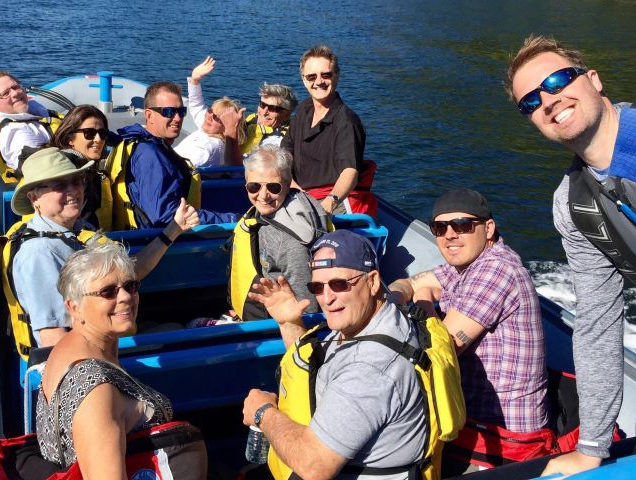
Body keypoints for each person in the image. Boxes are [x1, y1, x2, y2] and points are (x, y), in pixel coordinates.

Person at [506, 35, 636, 475]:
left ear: (593, 80)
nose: (548, 99)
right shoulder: (573, 204)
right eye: (530, 102)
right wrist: (592, 446)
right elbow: (598, 321)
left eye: (558, 79)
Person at [242, 230, 428, 479]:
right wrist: (289, 323)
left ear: (373, 281)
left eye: (340, 284)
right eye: (317, 287)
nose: (327, 298)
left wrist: (262, 412)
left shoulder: (370, 369)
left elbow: (314, 466)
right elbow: (319, 372)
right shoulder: (375, 317)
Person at [388, 188, 550, 472]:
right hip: (469, 419)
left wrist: (423, 297)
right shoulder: (466, 264)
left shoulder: (497, 269)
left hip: (500, 437)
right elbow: (412, 282)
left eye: (462, 225)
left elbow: (440, 350)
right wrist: (396, 296)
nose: (450, 235)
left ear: (488, 228)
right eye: (439, 227)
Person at [0, 147, 198, 351]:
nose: (73, 191)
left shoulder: (74, 232)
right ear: (34, 199)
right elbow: (54, 340)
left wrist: (174, 229)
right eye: (60, 185)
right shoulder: (40, 254)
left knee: (173, 325)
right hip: (89, 358)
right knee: (183, 335)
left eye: (76, 181)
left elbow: (132, 272)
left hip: (103, 339)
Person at [36, 242, 208, 478]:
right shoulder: (96, 390)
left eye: (131, 286)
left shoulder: (74, 349)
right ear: (74, 308)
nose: (126, 297)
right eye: (108, 291)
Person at [107, 80, 239, 229]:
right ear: (149, 115)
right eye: (168, 112)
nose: (177, 118)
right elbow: (167, 217)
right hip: (154, 244)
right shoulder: (151, 157)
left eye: (181, 112)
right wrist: (232, 219)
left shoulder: (139, 142)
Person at [229, 146, 330, 321]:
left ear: (288, 184)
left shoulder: (290, 244)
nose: (263, 195)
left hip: (274, 326)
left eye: (274, 187)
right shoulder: (269, 211)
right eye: (253, 186)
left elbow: (307, 308)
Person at [281, 45, 374, 216]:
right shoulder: (304, 110)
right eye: (311, 77)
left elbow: (350, 171)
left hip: (333, 200)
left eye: (326, 75)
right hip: (298, 192)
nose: (318, 82)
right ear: (303, 80)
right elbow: (286, 149)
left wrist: (330, 201)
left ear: (336, 76)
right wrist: (292, 186)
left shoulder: (346, 121)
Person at [0, 70, 59, 182]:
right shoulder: (16, 133)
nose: (15, 93)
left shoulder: (35, 114)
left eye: (15, 87)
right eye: (5, 93)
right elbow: (44, 173)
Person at [174, 56, 246, 166]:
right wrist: (194, 80)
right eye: (210, 111)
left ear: (226, 128)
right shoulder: (210, 128)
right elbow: (197, 104)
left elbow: (178, 167)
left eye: (217, 117)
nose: (210, 116)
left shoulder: (208, 148)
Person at [52, 104, 114, 230]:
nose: (98, 139)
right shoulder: (71, 175)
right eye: (89, 133)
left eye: (102, 133)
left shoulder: (90, 171)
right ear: (70, 138)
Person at [241, 82, 299, 154]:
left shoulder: (286, 140)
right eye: (262, 105)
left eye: (272, 108)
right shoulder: (248, 122)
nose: (264, 112)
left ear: (286, 115)